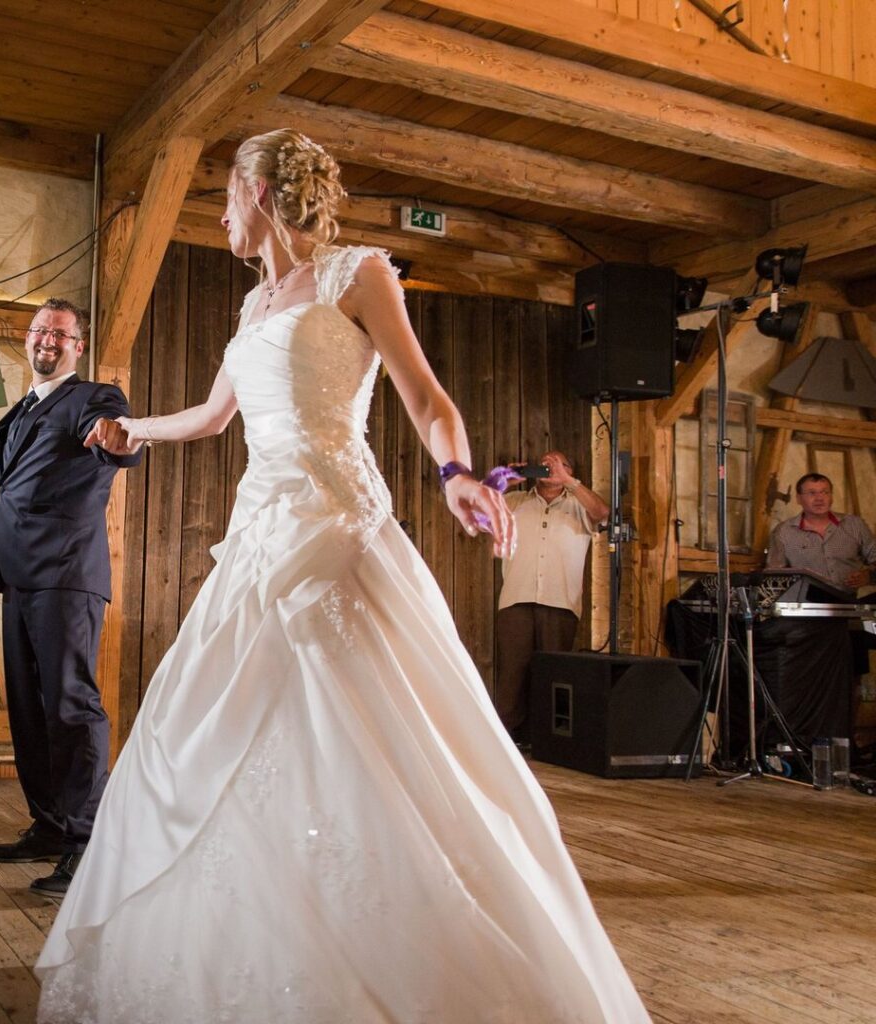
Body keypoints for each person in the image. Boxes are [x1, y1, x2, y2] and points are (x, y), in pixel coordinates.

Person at [39, 130, 650, 1022]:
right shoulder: (251, 311)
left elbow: (426, 395)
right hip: (259, 535)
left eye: (225, 197)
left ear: (260, 191)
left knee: (362, 721)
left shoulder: (359, 272)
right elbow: (214, 419)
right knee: (226, 729)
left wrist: (455, 475)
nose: (218, 215)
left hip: (336, 525)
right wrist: (137, 433)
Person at [0, 297, 141, 898]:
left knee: (70, 708)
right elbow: (16, 474)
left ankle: (85, 844)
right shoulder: (27, 409)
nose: (46, 339)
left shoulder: (94, 400)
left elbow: (117, 443)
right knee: (29, 709)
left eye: (59, 333)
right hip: (19, 572)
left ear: (78, 345)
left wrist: (119, 442)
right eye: (39, 330)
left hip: (66, 573)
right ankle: (48, 827)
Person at [494, 450, 608, 744]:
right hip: (516, 598)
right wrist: (507, 479)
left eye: (558, 464)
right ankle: (505, 740)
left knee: (553, 674)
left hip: (561, 602)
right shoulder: (516, 502)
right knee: (512, 674)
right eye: (544, 464)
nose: (549, 468)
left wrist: (569, 481)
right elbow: (479, 509)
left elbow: (602, 513)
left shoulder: (579, 506)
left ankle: (548, 741)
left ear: (569, 471)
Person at [766, 472, 876, 589]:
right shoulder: (783, 532)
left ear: (831, 496)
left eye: (825, 492)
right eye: (812, 493)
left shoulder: (854, 525)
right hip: (805, 603)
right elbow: (774, 577)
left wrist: (869, 576)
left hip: (849, 602)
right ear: (798, 498)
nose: (819, 498)